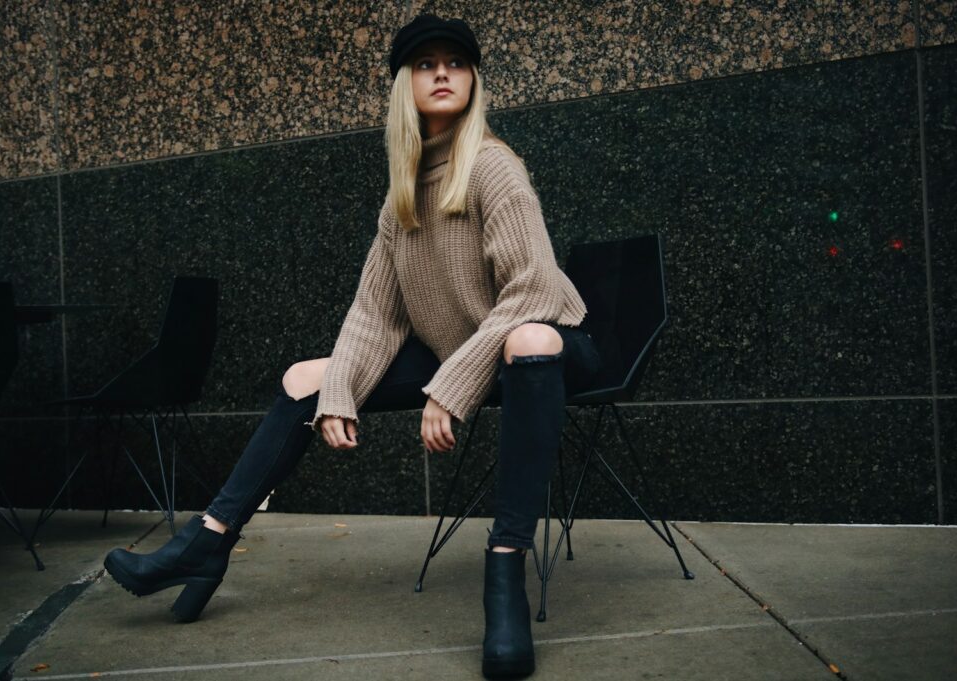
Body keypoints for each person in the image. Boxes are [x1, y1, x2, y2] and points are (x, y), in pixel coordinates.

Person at [103, 14, 601, 680]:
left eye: (456, 62)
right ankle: (210, 539)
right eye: (426, 64)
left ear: (474, 79)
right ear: (406, 85)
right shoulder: (403, 194)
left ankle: (506, 565)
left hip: (548, 345)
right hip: (465, 348)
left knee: (529, 340)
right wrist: (338, 391)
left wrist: (449, 387)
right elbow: (375, 311)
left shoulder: (493, 167)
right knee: (304, 377)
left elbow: (531, 292)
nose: (443, 72)